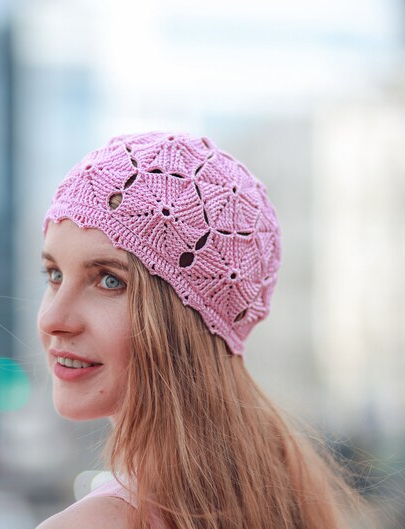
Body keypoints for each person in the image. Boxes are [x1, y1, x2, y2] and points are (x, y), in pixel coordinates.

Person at [36, 132, 363, 529]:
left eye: (109, 280)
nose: (53, 319)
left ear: (184, 319)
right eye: (54, 274)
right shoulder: (284, 499)